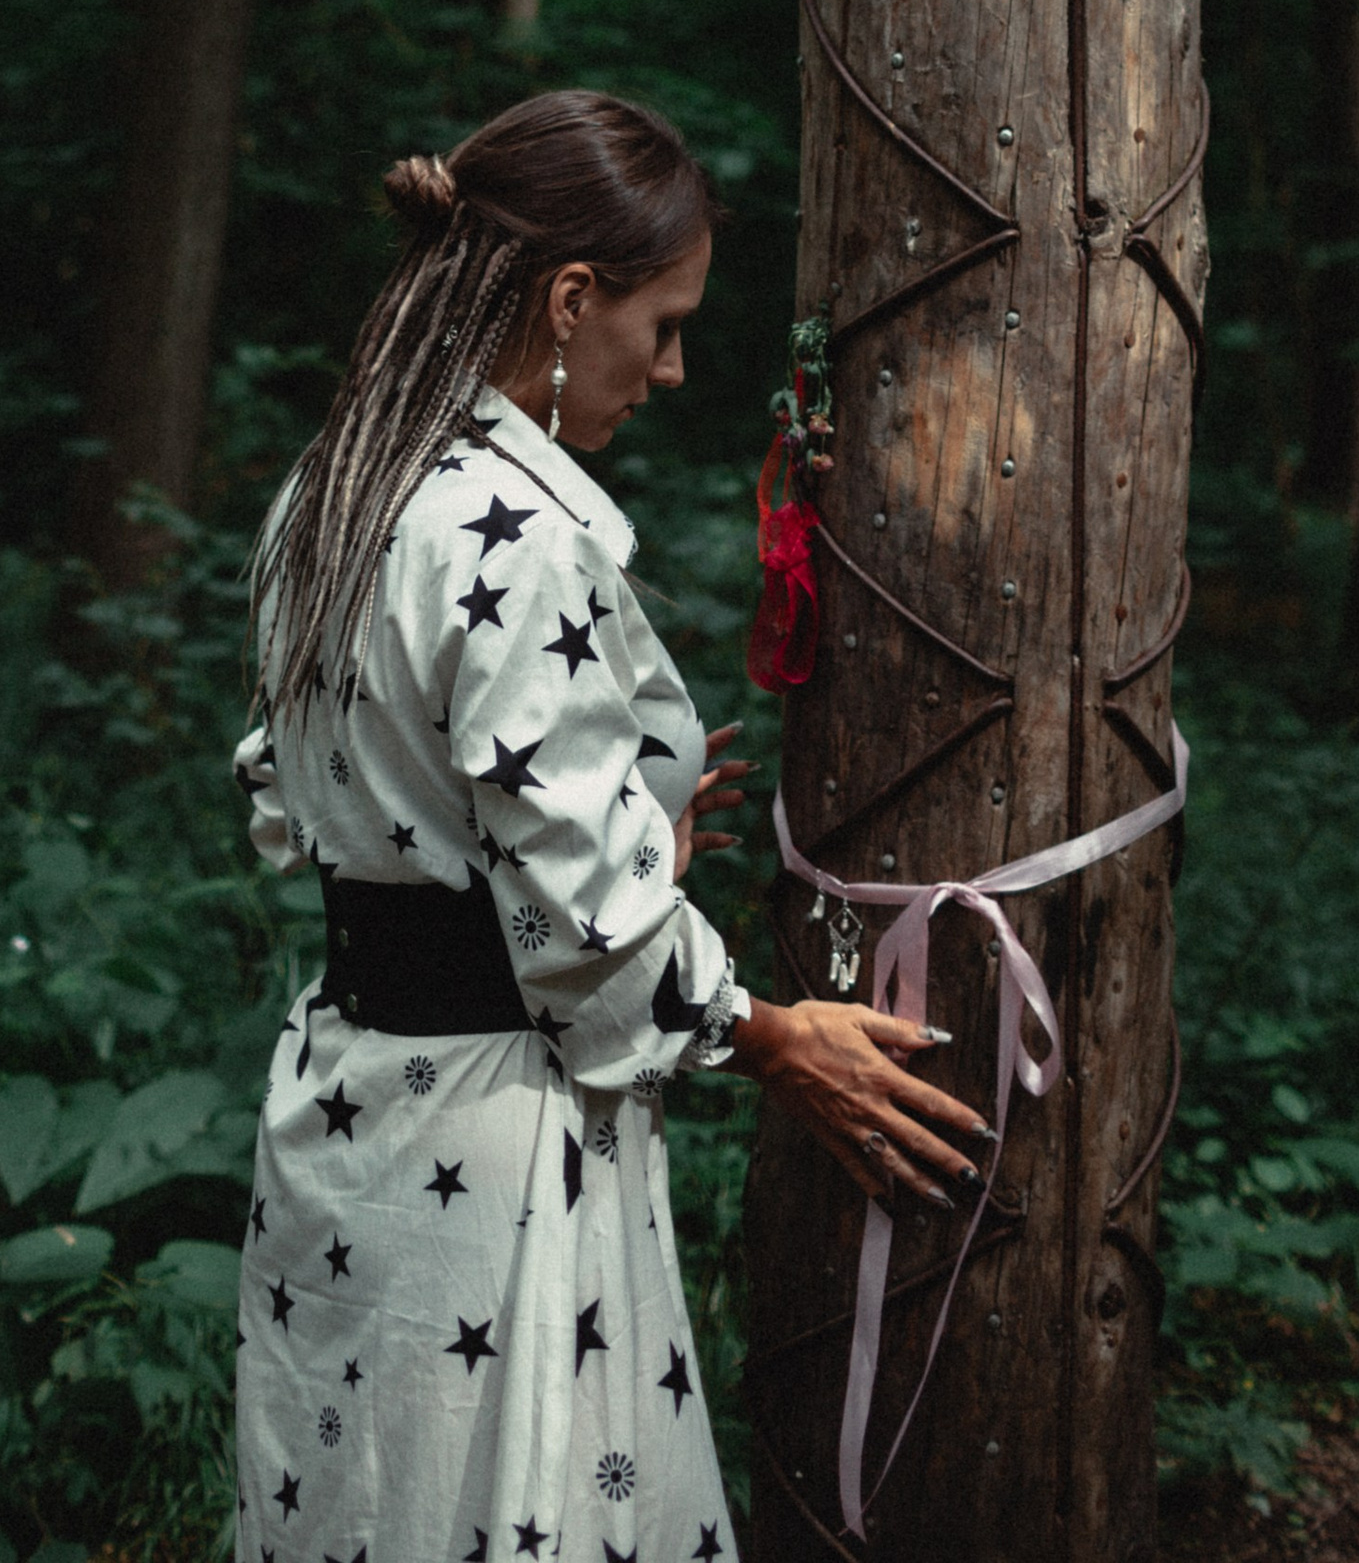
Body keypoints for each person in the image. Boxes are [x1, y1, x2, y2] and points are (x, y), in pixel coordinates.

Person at [232, 90, 983, 1560]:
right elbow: (573, 916)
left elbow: (349, 812)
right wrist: (771, 1036)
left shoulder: (331, 487)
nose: (680, 366)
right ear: (572, 301)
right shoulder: (523, 531)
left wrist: (624, 845)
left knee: (364, 1512)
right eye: (665, 323)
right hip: (494, 1157)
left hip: (345, 1116)